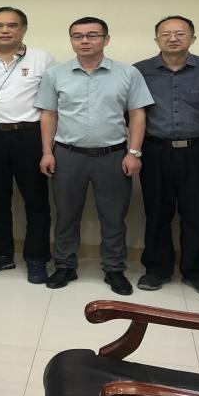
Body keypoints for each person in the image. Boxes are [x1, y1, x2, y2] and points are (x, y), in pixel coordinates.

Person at [35, 17, 154, 295]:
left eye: (92, 35)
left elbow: (138, 114)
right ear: (71, 41)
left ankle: (114, 269)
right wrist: (47, 152)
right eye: (77, 36)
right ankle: (65, 265)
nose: (85, 41)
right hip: (68, 155)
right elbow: (49, 114)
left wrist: (134, 153)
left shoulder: (128, 73)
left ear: (106, 39)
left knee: (113, 217)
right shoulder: (55, 74)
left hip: (113, 155)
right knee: (66, 215)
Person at [134, 16, 199, 296]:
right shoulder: (140, 70)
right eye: (165, 34)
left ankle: (196, 271)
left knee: (197, 212)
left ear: (192, 38)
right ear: (156, 39)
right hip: (155, 150)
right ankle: (156, 269)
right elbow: (134, 112)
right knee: (156, 211)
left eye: (180, 33)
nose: (173, 38)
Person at [0, 7, 56, 281]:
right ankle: (2, 254)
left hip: (30, 135)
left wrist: (48, 147)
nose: (5, 30)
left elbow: (53, 104)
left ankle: (37, 259)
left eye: (12, 25)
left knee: (36, 201)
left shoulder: (42, 59)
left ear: (23, 29)